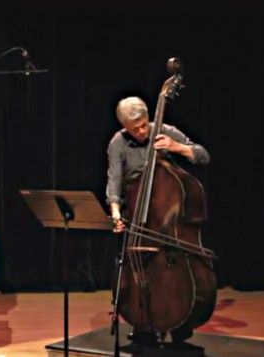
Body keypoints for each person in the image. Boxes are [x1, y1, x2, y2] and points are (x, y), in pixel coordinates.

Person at [105, 96, 210, 344]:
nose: (142, 132)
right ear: (124, 127)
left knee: (169, 272)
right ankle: (143, 320)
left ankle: (178, 318)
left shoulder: (165, 131)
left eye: (143, 124)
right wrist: (116, 213)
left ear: (148, 117)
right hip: (138, 219)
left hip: (167, 222)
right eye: (134, 129)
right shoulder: (118, 142)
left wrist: (177, 147)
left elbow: (203, 156)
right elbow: (114, 180)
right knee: (137, 268)